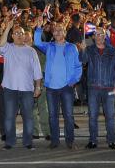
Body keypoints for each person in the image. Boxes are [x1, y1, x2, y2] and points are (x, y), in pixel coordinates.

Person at [33, 18, 82, 150]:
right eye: (55, 30)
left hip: (67, 87)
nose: (58, 32)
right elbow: (37, 42)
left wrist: (74, 80)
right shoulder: (49, 46)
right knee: (52, 116)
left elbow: (78, 66)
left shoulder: (72, 48)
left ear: (65, 33)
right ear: (53, 34)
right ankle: (55, 141)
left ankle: (70, 141)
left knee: (68, 116)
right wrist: (38, 28)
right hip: (51, 88)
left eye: (61, 30)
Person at [0, 20, 43, 150]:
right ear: (12, 36)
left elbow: (37, 71)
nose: (19, 35)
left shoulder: (31, 51)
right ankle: (9, 142)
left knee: (28, 117)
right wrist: (8, 27)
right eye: (16, 33)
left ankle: (28, 142)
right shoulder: (7, 48)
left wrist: (38, 86)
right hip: (10, 88)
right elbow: (1, 44)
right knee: (9, 117)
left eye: (21, 33)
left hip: (27, 90)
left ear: (25, 36)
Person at [83, 28, 115, 150]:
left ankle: (111, 140)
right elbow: (83, 61)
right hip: (94, 87)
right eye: (96, 34)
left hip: (109, 87)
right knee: (93, 116)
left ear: (105, 36)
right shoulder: (89, 50)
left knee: (110, 116)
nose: (99, 36)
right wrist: (83, 49)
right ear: (94, 37)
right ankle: (93, 140)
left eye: (101, 34)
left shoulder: (112, 51)